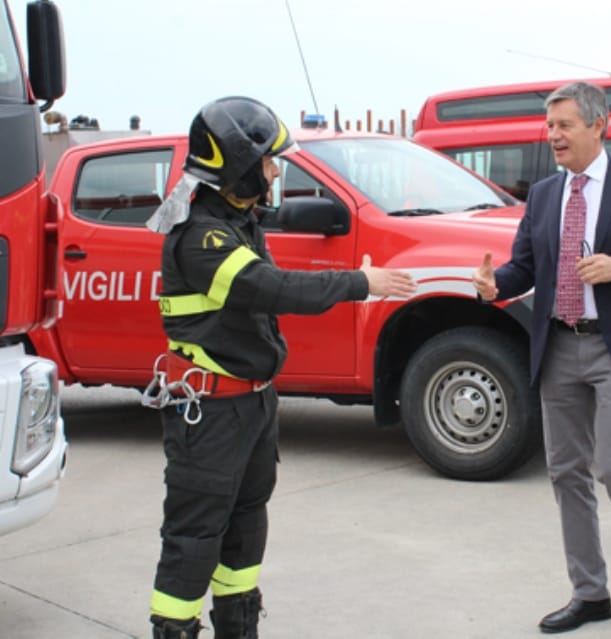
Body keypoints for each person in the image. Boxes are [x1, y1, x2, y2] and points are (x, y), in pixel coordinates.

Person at [143, 96, 416, 638]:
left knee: (245, 529)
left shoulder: (238, 222)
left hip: (251, 403)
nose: (274, 172)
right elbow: (272, 288)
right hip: (212, 414)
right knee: (195, 536)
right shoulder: (203, 236)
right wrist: (362, 283)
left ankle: (239, 628)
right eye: (268, 162)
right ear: (239, 167)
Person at [471, 81, 611, 635]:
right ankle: (589, 592)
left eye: (564, 125)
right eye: (550, 127)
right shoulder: (545, 194)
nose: (554, 137)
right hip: (559, 343)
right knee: (566, 471)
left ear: (599, 125)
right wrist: (495, 285)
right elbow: (526, 267)